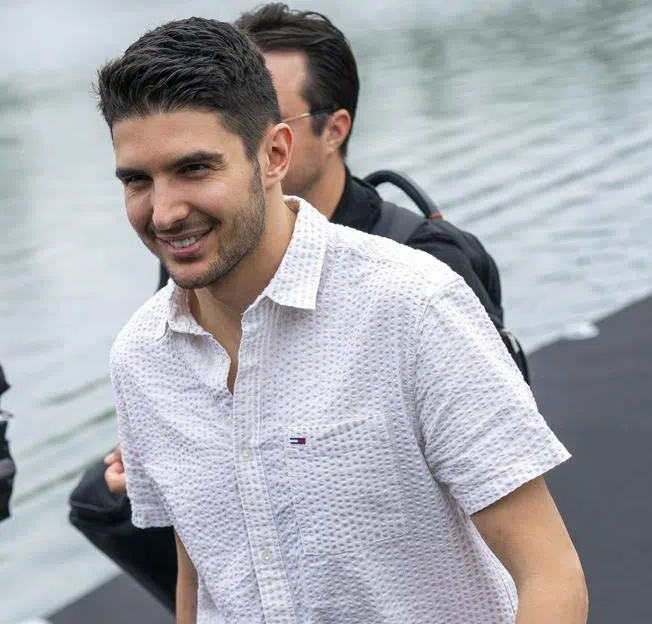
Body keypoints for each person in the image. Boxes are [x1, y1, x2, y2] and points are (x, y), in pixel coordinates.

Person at [95, 16, 587, 624]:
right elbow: (201, 586)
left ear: (274, 152)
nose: (163, 211)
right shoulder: (141, 358)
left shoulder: (412, 304)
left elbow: (551, 575)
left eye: (194, 169)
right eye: (138, 180)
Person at [103, 2, 523, 498]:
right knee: (98, 499)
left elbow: (499, 458)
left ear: (330, 131)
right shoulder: (198, 249)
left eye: (267, 113)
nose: (168, 212)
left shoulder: (422, 273)